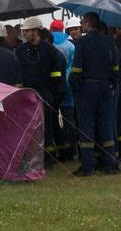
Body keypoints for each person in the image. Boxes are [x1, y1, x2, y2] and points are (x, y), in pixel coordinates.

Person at [70, 12, 120, 176]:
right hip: (106, 87)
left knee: (87, 126)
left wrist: (76, 86)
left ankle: (88, 165)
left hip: (87, 87)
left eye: (83, 23)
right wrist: (111, 82)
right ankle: (110, 164)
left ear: (87, 23)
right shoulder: (109, 41)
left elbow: (76, 69)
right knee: (106, 125)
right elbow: (116, 68)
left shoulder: (82, 42)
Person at [15, 17, 66, 163]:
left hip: (45, 93)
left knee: (47, 126)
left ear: (36, 31)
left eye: (27, 31)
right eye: (23, 31)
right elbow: (17, 74)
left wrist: (51, 94)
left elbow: (56, 75)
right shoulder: (20, 51)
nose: (24, 34)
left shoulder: (50, 50)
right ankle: (28, 157)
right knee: (28, 127)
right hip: (26, 94)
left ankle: (48, 158)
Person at [50, 19, 78, 162]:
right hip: (67, 85)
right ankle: (72, 149)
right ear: (63, 30)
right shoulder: (70, 45)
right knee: (69, 118)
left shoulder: (49, 44)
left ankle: (59, 148)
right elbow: (73, 65)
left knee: (53, 117)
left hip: (53, 85)